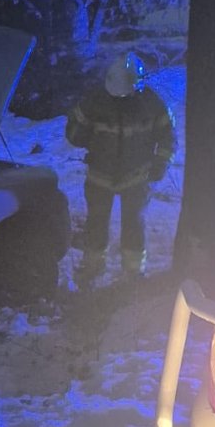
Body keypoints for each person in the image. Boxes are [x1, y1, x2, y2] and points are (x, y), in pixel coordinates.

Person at [66, 52, 175, 287]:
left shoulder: (151, 103)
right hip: (100, 174)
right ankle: (93, 266)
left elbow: (168, 137)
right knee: (96, 222)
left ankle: (133, 273)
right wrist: (83, 135)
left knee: (134, 224)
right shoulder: (95, 100)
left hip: (136, 175)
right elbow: (74, 130)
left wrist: (161, 162)